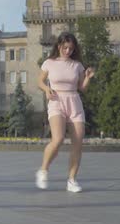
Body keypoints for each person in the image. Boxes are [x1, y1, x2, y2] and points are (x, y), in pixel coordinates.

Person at [35, 32, 94, 193]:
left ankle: (72, 180)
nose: (67, 51)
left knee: (78, 143)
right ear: (59, 46)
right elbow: (40, 81)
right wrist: (47, 89)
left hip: (74, 102)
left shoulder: (77, 65)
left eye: (71, 48)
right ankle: (43, 169)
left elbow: (82, 87)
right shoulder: (49, 62)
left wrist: (88, 77)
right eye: (65, 47)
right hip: (56, 101)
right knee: (58, 138)